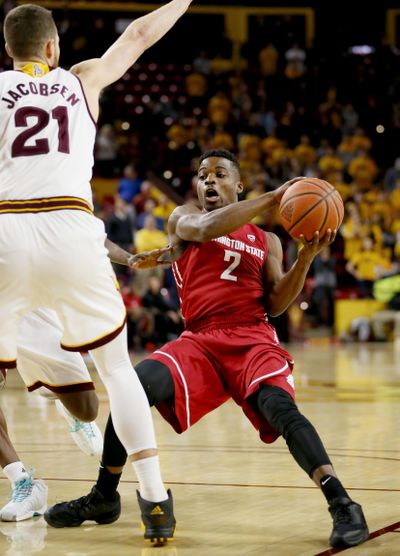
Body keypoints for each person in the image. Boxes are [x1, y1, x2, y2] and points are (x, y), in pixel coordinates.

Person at [44, 150, 369, 549]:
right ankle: (104, 497)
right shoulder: (184, 217)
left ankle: (342, 502)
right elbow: (205, 229)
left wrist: (304, 259)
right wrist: (273, 198)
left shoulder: (267, 240)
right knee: (133, 387)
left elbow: (276, 303)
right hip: (200, 339)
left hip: (252, 337)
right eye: (202, 175)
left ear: (238, 185)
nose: (208, 181)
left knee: (281, 409)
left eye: (219, 174)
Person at [0, 1, 192, 542]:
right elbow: (137, 35)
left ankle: (20, 474)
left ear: (9, 52)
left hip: (6, 230)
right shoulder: (81, 79)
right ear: (54, 48)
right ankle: (154, 499)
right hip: (70, 227)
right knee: (117, 371)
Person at [0, 241, 170, 523]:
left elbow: (85, 228)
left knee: (86, 407)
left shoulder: (31, 202)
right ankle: (22, 482)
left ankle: (68, 407)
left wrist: (129, 259)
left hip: (30, 300)